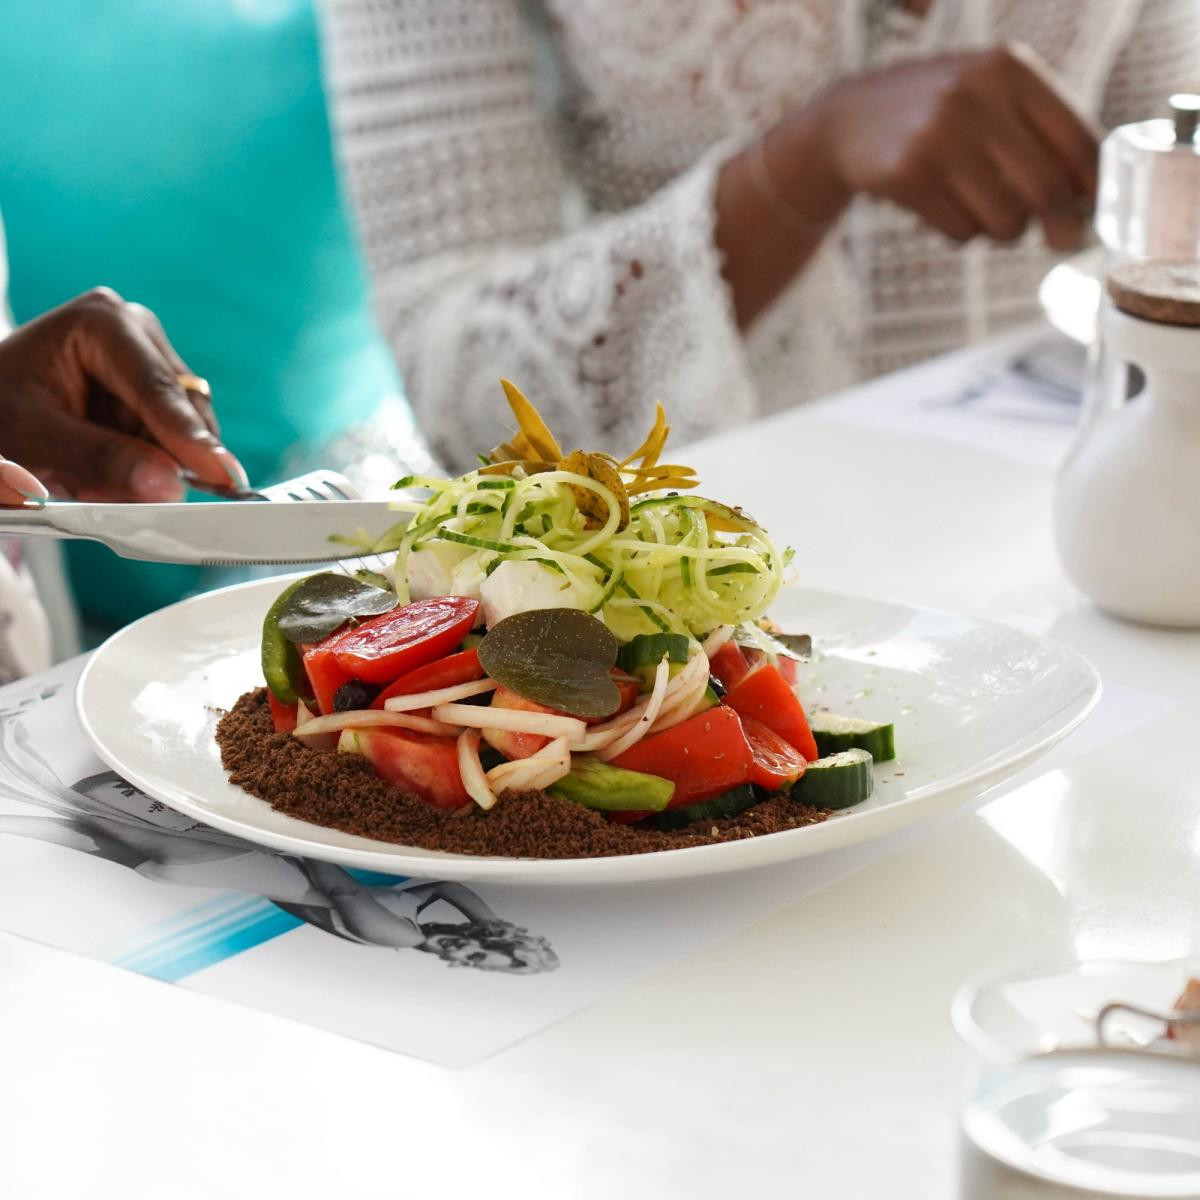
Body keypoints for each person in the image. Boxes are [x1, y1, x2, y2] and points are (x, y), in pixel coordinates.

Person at [319, 0, 1200, 471]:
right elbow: (463, 397)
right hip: (679, 595)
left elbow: (1170, 180)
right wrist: (799, 166)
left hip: (1072, 526)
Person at [0, 702, 558, 974]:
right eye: (486, 946)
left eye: (476, 957)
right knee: (78, 821)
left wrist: (292, 836)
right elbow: (445, 886)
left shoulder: (397, 935)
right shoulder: (416, 921)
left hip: (236, 868)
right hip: (249, 867)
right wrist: (489, 920)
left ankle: (13, 765)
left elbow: (335, 884)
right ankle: (15, 768)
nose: (467, 948)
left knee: (73, 812)